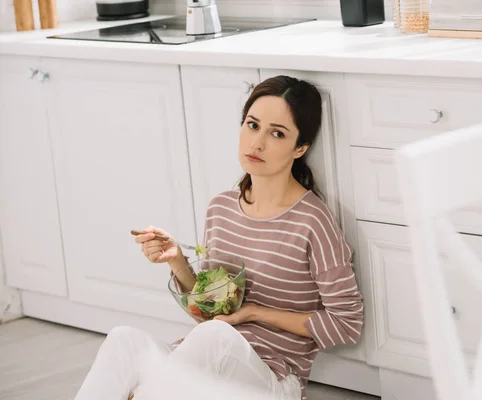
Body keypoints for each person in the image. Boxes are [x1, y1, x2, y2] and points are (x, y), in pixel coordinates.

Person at [74, 75, 364, 400]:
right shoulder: (221, 208)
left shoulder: (313, 221)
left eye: (277, 133)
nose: (257, 143)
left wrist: (253, 313)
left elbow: (345, 324)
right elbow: (211, 308)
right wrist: (177, 261)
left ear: (300, 148)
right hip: (205, 366)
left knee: (215, 336)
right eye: (252, 125)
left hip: (273, 379)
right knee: (123, 339)